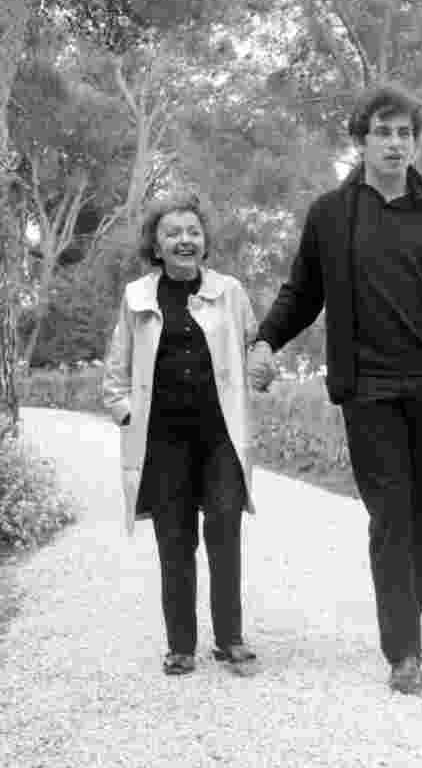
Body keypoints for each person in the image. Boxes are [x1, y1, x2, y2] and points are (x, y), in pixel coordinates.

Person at [246, 82, 422, 695]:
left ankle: (406, 631)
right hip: (368, 389)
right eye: (383, 132)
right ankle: (405, 650)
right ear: (361, 139)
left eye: (405, 133)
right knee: (391, 516)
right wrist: (266, 340)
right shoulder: (331, 214)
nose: (395, 143)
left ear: (416, 142)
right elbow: (301, 293)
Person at [102, 192, 260, 677]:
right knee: (175, 541)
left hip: (220, 440)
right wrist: (130, 416)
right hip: (163, 443)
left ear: (205, 240)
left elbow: (257, 347)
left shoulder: (230, 292)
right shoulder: (137, 298)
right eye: (172, 233)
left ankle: (230, 639)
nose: (184, 240)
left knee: (225, 532)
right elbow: (115, 377)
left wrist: (262, 369)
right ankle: (180, 646)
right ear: (156, 243)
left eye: (193, 231)